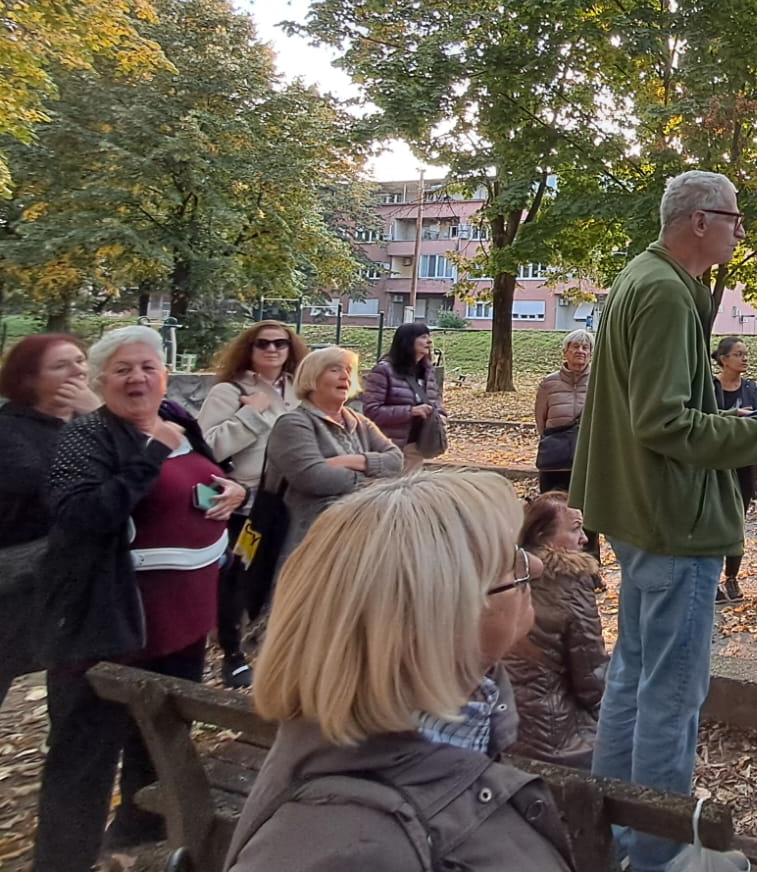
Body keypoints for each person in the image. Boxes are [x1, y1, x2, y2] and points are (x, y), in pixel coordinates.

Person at [567, 170, 757, 872]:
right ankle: (661, 854)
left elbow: (658, 409)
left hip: (638, 513)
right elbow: (664, 421)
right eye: (735, 218)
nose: (741, 229)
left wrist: (721, 419)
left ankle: (611, 835)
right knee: (672, 695)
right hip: (674, 521)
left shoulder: (639, 279)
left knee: (632, 679)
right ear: (700, 221)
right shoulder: (670, 293)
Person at [224, 471, 573, 872]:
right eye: (508, 563)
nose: (535, 566)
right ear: (440, 620)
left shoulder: (465, 723)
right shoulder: (348, 851)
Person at [33, 325, 248, 872]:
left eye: (148, 366)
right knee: (83, 762)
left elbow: (210, 477)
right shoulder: (88, 438)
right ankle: (63, 861)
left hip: (182, 624)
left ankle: (134, 848)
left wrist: (235, 491)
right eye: (123, 369)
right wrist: (149, 453)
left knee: (157, 751)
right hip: (106, 627)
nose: (138, 377)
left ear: (165, 375)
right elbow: (83, 517)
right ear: (102, 381)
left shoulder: (179, 423)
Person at [198, 321, 307, 689]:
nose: (273, 350)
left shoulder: (298, 390)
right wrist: (251, 415)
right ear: (249, 348)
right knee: (236, 577)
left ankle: (277, 648)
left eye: (281, 344)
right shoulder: (230, 391)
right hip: (244, 502)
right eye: (263, 344)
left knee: (280, 573)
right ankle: (232, 654)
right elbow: (207, 446)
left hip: (287, 500)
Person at [0, 334, 98, 708]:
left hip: (73, 586)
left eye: (79, 360)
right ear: (28, 380)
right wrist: (99, 418)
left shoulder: (83, 425)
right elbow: (57, 489)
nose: (78, 371)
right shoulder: (10, 430)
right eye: (61, 365)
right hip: (16, 588)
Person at [265, 347, 403, 559]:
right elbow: (314, 478)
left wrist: (352, 460)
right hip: (307, 543)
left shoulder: (359, 421)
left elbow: (396, 460)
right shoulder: (293, 423)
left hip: (356, 538)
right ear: (312, 377)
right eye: (334, 369)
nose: (345, 376)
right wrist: (373, 481)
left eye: (349, 370)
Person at [505, 491, 607, 770]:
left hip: (502, 728)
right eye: (575, 530)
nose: (585, 538)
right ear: (541, 536)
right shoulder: (570, 581)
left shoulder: (504, 573)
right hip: (553, 734)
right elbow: (592, 680)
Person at [711, 336, 757, 603]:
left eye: (746, 353)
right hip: (716, 465)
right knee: (714, 522)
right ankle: (711, 580)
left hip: (744, 465)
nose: (744, 358)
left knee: (736, 523)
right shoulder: (710, 387)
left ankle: (731, 578)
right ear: (723, 359)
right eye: (738, 354)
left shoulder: (751, 387)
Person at [360, 321, 443, 473]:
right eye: (423, 337)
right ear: (408, 340)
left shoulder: (427, 370)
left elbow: (435, 400)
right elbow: (371, 411)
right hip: (390, 447)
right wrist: (411, 411)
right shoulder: (383, 370)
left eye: (429, 337)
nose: (429, 341)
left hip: (417, 445)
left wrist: (440, 416)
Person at [534, 330, 591, 496]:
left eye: (585, 347)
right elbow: (540, 419)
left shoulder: (598, 381)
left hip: (587, 456)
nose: (580, 351)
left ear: (590, 354)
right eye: (575, 346)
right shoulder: (549, 383)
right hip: (555, 458)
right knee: (553, 506)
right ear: (565, 352)